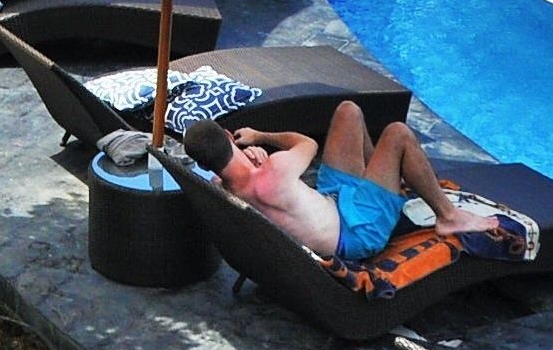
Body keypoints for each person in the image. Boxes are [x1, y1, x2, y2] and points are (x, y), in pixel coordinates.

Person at [182, 102, 505, 262]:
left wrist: (253, 157)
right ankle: (449, 216)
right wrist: (259, 137)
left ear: (202, 162)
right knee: (397, 134)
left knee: (348, 112)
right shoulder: (274, 171)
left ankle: (381, 183)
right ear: (228, 136)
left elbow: (246, 182)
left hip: (333, 203)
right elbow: (307, 143)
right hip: (355, 233)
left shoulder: (219, 187)